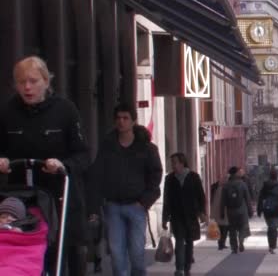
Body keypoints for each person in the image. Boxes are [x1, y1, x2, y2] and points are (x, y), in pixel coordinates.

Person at [0, 56, 90, 275]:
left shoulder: (65, 110)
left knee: (68, 250)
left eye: (33, 81)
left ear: (46, 81)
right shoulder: (7, 112)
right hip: (23, 197)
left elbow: (83, 155)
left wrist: (62, 165)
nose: (27, 87)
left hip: (60, 195)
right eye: (21, 82)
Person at [89, 103, 163, 276]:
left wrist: (144, 202)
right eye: (118, 118)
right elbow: (98, 174)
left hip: (136, 206)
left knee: (137, 253)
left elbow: (155, 175)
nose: (121, 122)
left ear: (133, 121)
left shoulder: (146, 147)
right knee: (116, 254)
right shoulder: (108, 145)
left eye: (125, 118)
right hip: (113, 206)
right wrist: (96, 204)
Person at [162, 153, 206, 276]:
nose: (173, 165)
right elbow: (167, 199)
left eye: (175, 162)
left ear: (182, 163)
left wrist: (202, 212)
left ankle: (187, 268)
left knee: (189, 242)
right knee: (179, 241)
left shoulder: (193, 177)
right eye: (172, 163)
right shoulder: (170, 179)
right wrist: (165, 218)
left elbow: (201, 196)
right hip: (177, 216)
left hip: (191, 215)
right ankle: (179, 269)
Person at [220, 166, 253, 254]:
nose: (239, 173)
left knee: (232, 229)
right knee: (242, 226)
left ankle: (234, 247)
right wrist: (250, 211)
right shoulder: (242, 184)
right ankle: (241, 239)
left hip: (230, 211)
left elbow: (223, 200)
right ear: (235, 173)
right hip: (241, 210)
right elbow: (247, 198)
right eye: (238, 171)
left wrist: (222, 212)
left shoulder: (226, 185)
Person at [257, 167, 278, 254]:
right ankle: (273, 245)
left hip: (267, 209)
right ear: (277, 176)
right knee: (274, 227)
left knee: (270, 227)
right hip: (276, 209)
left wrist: (259, 210)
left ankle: (270, 245)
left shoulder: (265, 185)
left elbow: (261, 198)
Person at [210, 176, 230, 250]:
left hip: (219, 211)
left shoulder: (216, 188)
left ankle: (221, 243)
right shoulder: (220, 188)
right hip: (222, 211)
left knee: (222, 227)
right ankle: (221, 243)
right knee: (223, 227)